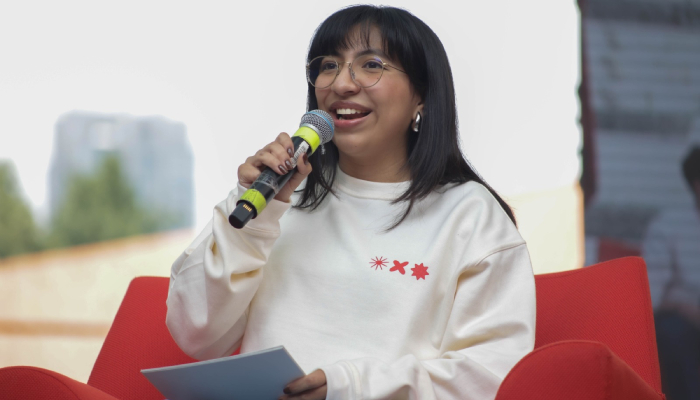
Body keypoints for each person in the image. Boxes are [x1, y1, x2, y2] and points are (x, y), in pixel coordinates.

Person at [165, 5, 536, 400]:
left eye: (371, 65)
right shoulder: (277, 200)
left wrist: (351, 388)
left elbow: (491, 376)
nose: (341, 83)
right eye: (328, 65)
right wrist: (255, 218)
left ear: (422, 96)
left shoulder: (470, 215)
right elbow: (195, 334)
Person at [643, 146, 700, 400]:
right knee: (674, 333)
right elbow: (650, 296)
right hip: (681, 319)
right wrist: (684, 308)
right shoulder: (668, 227)